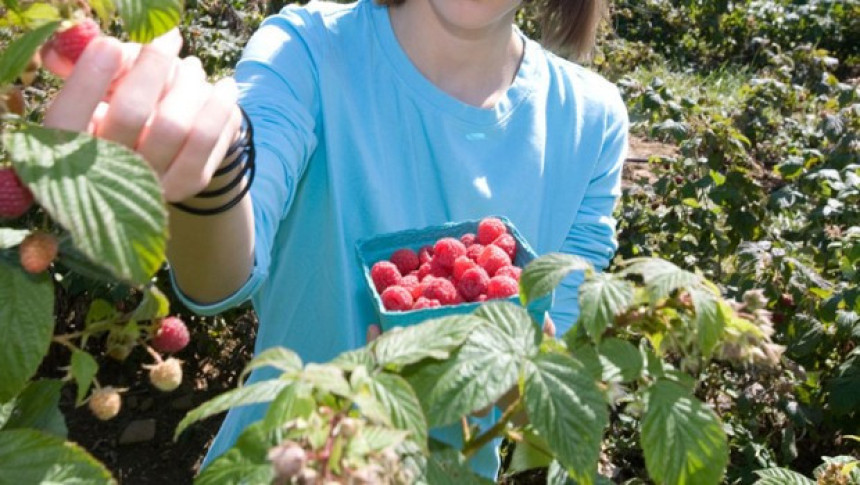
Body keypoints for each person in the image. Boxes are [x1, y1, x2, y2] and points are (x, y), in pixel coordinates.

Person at [42, 0, 628, 478]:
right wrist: (207, 174)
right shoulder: (305, 51)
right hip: (281, 462)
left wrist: (518, 392)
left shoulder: (592, 121)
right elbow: (222, 273)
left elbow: (564, 348)